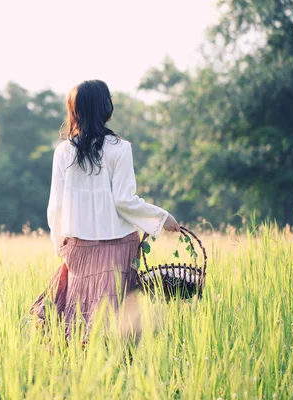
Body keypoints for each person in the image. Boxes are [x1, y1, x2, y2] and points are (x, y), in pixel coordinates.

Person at [30, 80, 180, 339]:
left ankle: (82, 372)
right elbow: (124, 200)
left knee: (78, 321)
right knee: (116, 319)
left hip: (78, 247)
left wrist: (60, 245)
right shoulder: (120, 148)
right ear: (105, 107)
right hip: (118, 246)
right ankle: (118, 373)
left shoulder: (63, 152)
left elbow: (56, 206)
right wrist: (161, 216)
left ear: (74, 110)